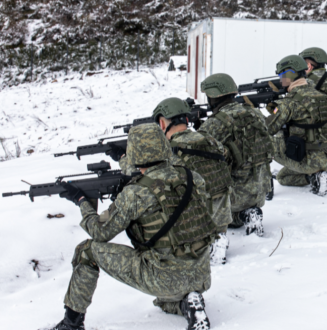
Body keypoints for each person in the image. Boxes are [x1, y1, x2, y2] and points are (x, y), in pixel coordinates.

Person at [50, 124, 217, 330]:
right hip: (200, 273)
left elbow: (99, 232)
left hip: (163, 277)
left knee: (86, 251)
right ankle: (189, 302)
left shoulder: (135, 193)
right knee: (164, 302)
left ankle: (71, 324)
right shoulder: (193, 178)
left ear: (134, 154)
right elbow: (162, 182)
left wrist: (82, 201)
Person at [152, 97, 233, 265]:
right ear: (186, 119)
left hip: (195, 222)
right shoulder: (209, 140)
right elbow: (225, 154)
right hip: (222, 215)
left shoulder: (167, 152)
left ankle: (202, 242)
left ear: (162, 124)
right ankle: (218, 236)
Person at [199, 73, 273, 238]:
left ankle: (236, 217)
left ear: (213, 96)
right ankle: (246, 214)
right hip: (260, 191)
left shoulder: (214, 124)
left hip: (233, 196)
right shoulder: (256, 114)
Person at [265, 55, 327, 196]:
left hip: (306, 159)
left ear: (291, 74)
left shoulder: (290, 102)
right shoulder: (322, 95)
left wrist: (253, 111)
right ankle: (314, 177)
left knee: (263, 141)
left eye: (281, 75)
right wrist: (274, 107)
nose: (280, 79)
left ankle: (264, 185)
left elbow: (267, 128)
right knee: (282, 177)